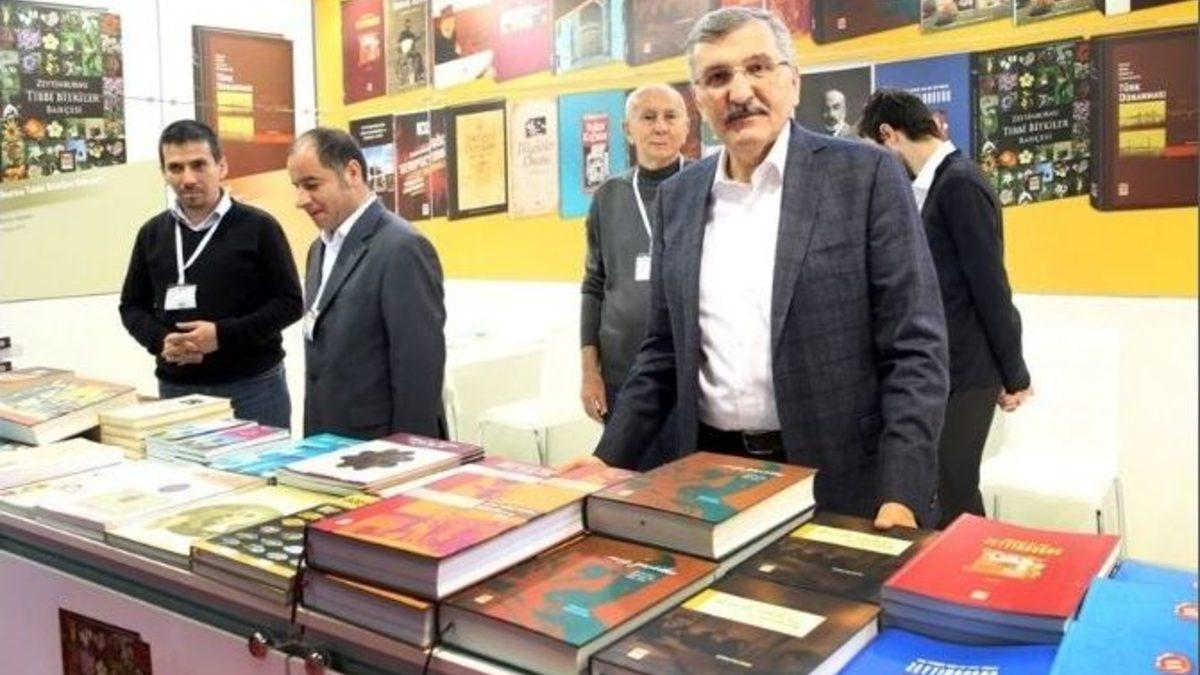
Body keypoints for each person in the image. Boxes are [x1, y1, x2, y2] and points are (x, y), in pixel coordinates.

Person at [576, 7, 949, 529]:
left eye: (757, 68)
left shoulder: (865, 176)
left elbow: (916, 348)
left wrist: (902, 492)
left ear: (793, 82)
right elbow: (662, 352)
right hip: (709, 476)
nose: (739, 90)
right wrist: (605, 461)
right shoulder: (678, 198)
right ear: (699, 100)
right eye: (717, 77)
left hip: (841, 480)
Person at [860, 88, 1032, 528]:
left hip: (969, 371)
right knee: (947, 489)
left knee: (953, 490)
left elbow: (990, 286)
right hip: (946, 369)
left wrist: (1015, 374)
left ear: (888, 134)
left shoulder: (959, 183)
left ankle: (975, 570)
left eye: (873, 152)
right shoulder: (935, 185)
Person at [118, 120, 302, 429]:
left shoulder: (259, 227)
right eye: (175, 168)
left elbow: (290, 303)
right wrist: (161, 340)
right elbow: (132, 306)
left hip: (253, 389)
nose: (187, 179)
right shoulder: (152, 234)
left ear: (221, 167)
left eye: (198, 165)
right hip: (177, 390)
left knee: (264, 463)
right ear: (164, 173)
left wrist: (222, 336)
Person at [287, 127, 446, 440]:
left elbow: (418, 370)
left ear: (352, 172)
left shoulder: (401, 247)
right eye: (296, 187)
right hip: (326, 438)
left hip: (381, 445)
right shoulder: (318, 249)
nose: (300, 200)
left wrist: (412, 452)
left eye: (312, 185)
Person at [581, 84, 690, 470]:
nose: (660, 126)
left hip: (687, 374)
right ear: (628, 130)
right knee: (626, 482)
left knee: (684, 483)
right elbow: (593, 286)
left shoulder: (704, 188)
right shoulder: (608, 196)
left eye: (670, 116)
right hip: (621, 376)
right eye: (648, 117)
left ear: (686, 127)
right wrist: (589, 372)